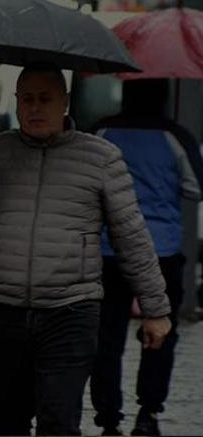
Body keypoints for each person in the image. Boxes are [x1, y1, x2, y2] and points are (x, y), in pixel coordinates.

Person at [0, 62, 172, 436]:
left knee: (59, 422)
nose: (35, 108)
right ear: (15, 102)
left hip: (70, 312)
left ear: (64, 102)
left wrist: (155, 308)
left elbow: (132, 235)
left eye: (45, 99)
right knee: (5, 423)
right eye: (27, 99)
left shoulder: (101, 157)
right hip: (2, 312)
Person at [90, 78, 203, 436]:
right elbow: (196, 188)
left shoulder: (102, 131)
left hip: (110, 250)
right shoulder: (176, 136)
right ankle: (148, 413)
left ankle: (108, 418)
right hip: (162, 249)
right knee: (160, 333)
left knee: (106, 336)